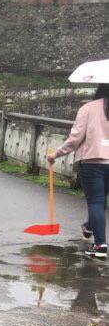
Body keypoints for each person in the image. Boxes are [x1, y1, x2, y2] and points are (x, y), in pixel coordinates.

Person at [49, 84, 109, 260]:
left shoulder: (88, 108)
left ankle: (100, 245)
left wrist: (56, 154)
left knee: (96, 201)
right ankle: (89, 227)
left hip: (92, 161)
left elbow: (75, 139)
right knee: (100, 201)